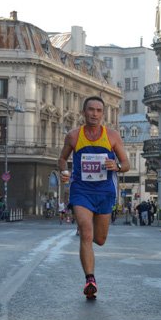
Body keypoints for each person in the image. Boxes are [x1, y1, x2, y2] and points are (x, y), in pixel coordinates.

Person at [59, 96, 130, 300]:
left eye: (99, 110)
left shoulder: (113, 136)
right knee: (86, 232)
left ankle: (90, 275)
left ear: (103, 114)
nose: (95, 114)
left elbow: (126, 164)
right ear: (83, 113)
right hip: (81, 190)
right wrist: (64, 172)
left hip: (105, 192)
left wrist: (115, 166)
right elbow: (62, 159)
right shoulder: (73, 136)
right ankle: (90, 279)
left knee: (99, 239)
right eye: (91, 110)